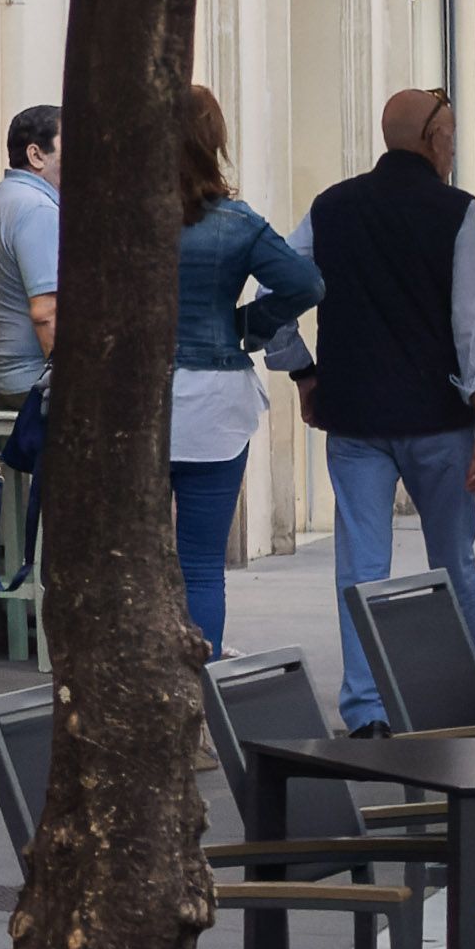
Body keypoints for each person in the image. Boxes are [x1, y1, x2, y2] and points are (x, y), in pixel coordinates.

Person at [273, 87, 475, 735]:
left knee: (361, 567)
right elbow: (474, 325)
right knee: (453, 559)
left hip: (354, 421)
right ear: (432, 139)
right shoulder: (456, 212)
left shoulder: (331, 208)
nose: (455, 147)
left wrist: (302, 371)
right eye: (452, 135)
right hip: (441, 421)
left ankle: (367, 707)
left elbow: (275, 293)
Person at [168, 85, 320, 656]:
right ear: (215, 142)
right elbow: (306, 283)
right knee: (203, 562)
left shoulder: (122, 219)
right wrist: (245, 327)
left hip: (137, 398)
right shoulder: (237, 221)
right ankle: (198, 683)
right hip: (216, 399)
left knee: (134, 557)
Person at [0, 105, 63, 408]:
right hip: (34, 384)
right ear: (36, 155)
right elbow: (46, 313)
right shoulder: (38, 209)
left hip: (5, 382)